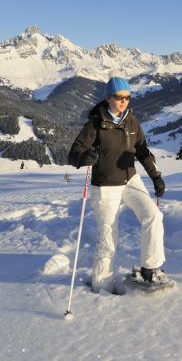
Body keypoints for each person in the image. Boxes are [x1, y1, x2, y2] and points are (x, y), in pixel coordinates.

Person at [68, 76, 169, 292]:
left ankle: (150, 269)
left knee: (153, 215)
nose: (123, 101)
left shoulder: (131, 121)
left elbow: (142, 151)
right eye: (119, 97)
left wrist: (155, 176)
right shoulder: (95, 124)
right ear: (108, 97)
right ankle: (102, 285)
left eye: (127, 97)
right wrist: (84, 158)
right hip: (104, 185)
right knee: (108, 237)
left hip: (130, 179)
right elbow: (74, 153)